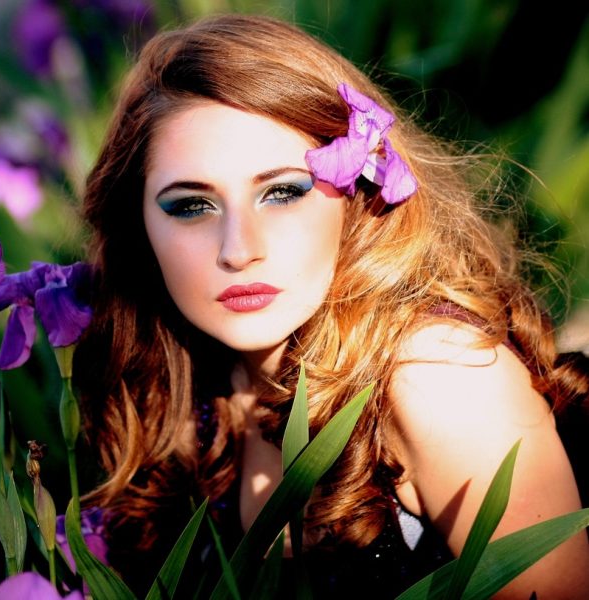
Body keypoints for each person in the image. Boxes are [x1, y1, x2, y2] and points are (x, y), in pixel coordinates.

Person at [72, 13, 589, 598]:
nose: (239, 251)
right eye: (191, 206)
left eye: (284, 192)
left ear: (360, 196)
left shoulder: (435, 374)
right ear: (137, 226)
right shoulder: (189, 383)